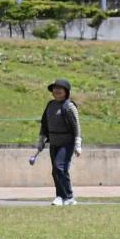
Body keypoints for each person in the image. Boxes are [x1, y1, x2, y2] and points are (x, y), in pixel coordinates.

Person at [33, 77, 81, 206]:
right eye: (55, 89)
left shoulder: (69, 106)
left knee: (60, 168)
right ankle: (60, 196)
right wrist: (41, 140)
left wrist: (78, 143)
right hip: (53, 142)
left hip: (67, 143)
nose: (56, 91)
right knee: (55, 170)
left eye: (60, 89)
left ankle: (69, 196)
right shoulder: (50, 105)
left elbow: (76, 125)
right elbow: (44, 124)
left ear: (66, 91)